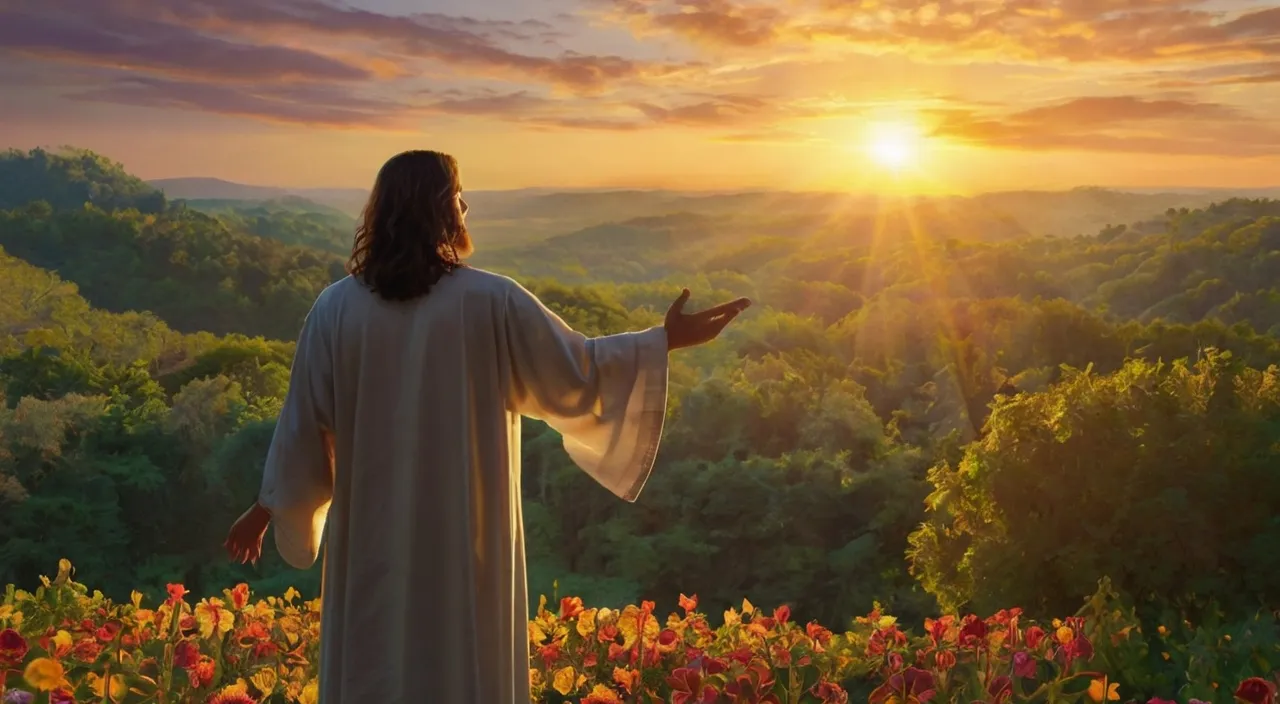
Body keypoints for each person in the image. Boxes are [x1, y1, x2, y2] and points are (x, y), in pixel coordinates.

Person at [223, 150, 751, 702]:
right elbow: (578, 374)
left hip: (374, 536)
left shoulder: (336, 309)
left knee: (375, 659)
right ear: (438, 209)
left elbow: (306, 425)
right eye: (458, 193)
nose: (466, 204)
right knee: (463, 660)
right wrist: (663, 341)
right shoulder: (491, 300)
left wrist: (268, 508)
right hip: (467, 534)